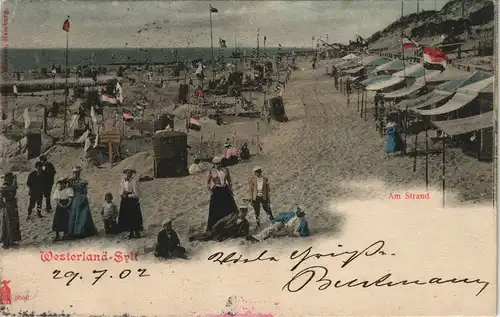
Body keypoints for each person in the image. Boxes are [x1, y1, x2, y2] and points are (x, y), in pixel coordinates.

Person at [206, 156, 239, 231]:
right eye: (216, 164)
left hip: (225, 189)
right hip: (217, 190)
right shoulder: (211, 172)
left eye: (219, 164)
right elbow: (207, 183)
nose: (217, 165)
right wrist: (211, 191)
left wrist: (231, 190)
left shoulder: (225, 170)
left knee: (230, 207)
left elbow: (229, 181)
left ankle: (231, 224)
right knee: (216, 209)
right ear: (213, 164)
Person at [68, 166, 97, 239]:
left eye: (77, 173)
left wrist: (84, 198)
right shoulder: (71, 181)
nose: (75, 174)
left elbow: (85, 191)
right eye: (74, 173)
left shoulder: (83, 181)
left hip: (81, 197)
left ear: (79, 173)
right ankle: (73, 231)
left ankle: (81, 231)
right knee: (74, 214)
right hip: (74, 198)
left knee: (82, 214)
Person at [118, 169, 144, 239]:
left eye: (130, 173)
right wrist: (122, 194)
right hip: (125, 201)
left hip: (132, 201)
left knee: (134, 217)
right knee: (127, 217)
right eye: (127, 173)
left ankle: (137, 232)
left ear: (132, 174)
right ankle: (130, 232)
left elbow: (137, 194)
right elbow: (121, 190)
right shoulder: (123, 181)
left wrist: (129, 196)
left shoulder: (134, 181)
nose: (128, 174)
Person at [0, 172, 21, 248]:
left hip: (12, 206)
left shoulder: (9, 186)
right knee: (7, 224)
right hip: (8, 207)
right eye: (10, 178)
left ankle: (11, 241)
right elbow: (14, 187)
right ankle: (6, 242)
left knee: (12, 223)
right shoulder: (6, 186)